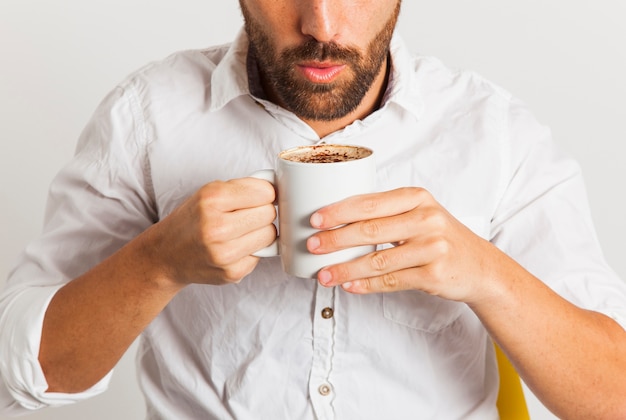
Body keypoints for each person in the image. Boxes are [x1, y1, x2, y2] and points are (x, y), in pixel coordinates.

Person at [1, 0, 626, 418]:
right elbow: (33, 375)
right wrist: (158, 262)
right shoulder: (146, 117)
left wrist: (486, 274)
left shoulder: (494, 133)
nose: (322, 25)